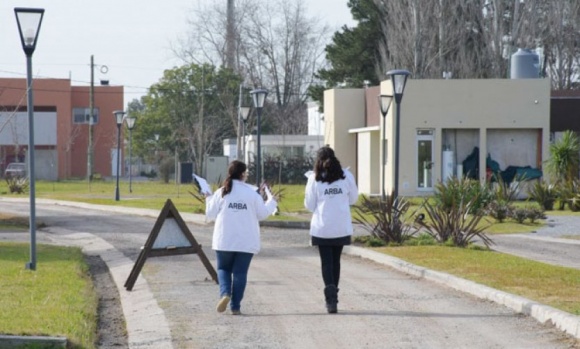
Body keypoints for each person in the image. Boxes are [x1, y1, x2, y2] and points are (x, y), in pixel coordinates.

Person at [205, 160, 277, 315]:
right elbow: (262, 214)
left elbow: (210, 213)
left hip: (224, 240)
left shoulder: (222, 191)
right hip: (246, 241)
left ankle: (225, 294)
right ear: (243, 174)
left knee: (223, 268)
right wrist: (272, 202)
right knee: (240, 273)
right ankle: (236, 306)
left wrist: (207, 198)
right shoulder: (252, 194)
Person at [304, 146, 359, 314]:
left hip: (322, 227)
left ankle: (330, 300)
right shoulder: (346, 176)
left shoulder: (314, 179)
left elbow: (309, 205)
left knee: (326, 262)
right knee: (336, 261)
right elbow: (353, 199)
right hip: (341, 226)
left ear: (318, 161)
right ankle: (334, 296)